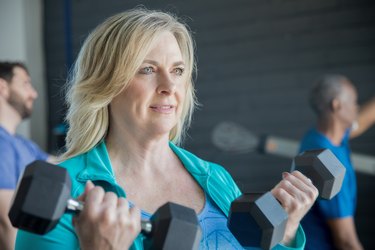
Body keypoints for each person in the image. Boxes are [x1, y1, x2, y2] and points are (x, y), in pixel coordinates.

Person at [16, 8, 319, 250]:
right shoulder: (66, 191)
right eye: (147, 69)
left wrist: (285, 234)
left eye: (177, 70)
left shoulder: (216, 177)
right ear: (106, 84)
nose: (169, 86)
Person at [298, 74, 375, 250]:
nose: (357, 107)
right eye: (354, 101)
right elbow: (346, 240)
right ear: (337, 105)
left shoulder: (319, 137)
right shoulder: (328, 165)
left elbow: (362, 120)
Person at [0, 62, 55, 250]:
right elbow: (6, 223)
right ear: (3, 88)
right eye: (26, 84)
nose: (34, 94)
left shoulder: (24, 145)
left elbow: (62, 165)